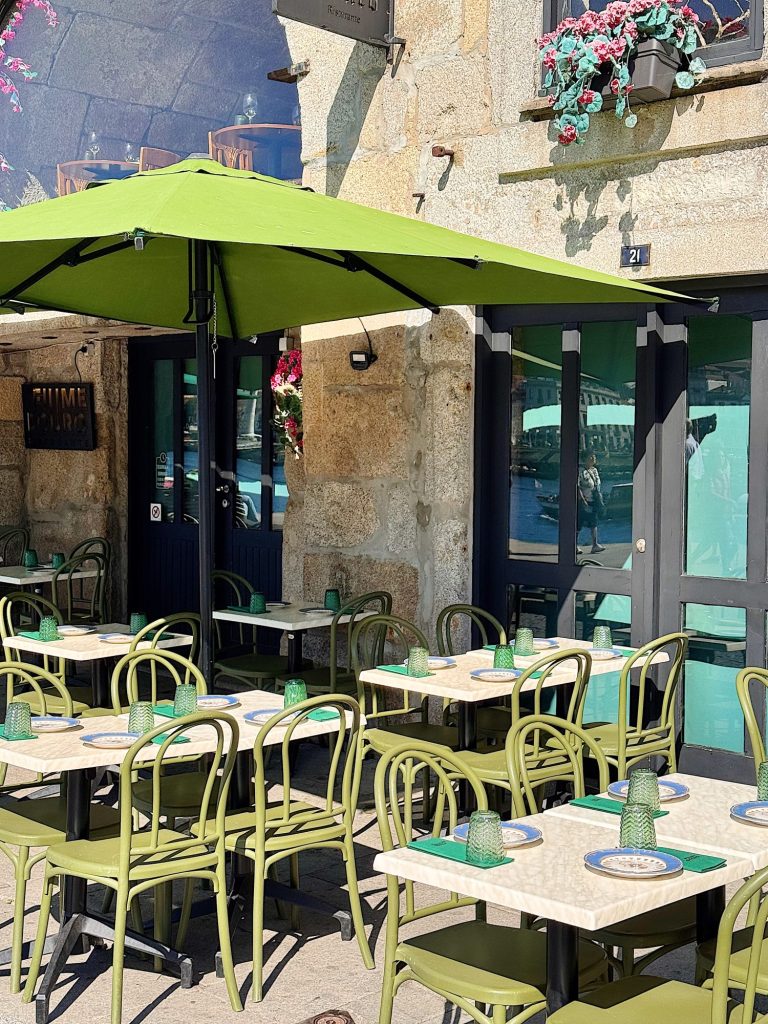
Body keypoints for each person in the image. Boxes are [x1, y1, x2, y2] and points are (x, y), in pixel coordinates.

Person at [578, 451, 605, 553]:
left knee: (594, 522)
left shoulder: (594, 470)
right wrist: (582, 499)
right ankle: (574, 545)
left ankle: (595, 544)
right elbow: (578, 486)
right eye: (591, 457)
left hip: (594, 500)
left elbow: (597, 484)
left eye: (594, 456)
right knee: (579, 523)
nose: (593, 458)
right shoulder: (580, 471)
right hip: (585, 501)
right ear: (586, 458)